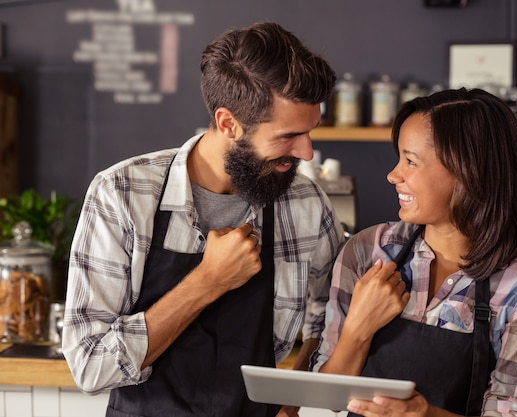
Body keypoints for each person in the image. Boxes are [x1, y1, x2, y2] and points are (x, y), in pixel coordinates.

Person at [62, 21, 345, 417]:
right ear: (228, 123)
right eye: (287, 136)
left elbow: (332, 315)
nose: (307, 152)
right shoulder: (122, 194)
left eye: (310, 131)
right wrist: (208, 281)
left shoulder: (305, 202)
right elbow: (91, 367)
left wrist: (293, 399)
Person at [311, 88, 517, 417]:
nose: (393, 175)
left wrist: (423, 415)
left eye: (411, 161)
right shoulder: (366, 250)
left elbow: (508, 411)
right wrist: (358, 331)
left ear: (470, 171)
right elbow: (325, 400)